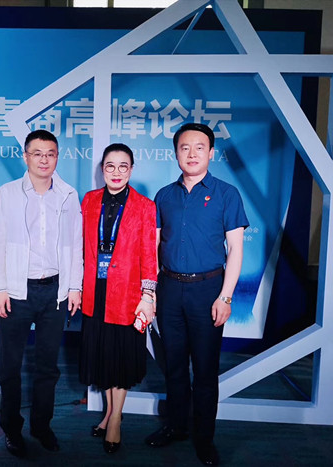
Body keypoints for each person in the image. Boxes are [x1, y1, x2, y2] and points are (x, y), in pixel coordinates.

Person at [145, 123, 248, 466]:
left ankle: (204, 439)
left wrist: (226, 297)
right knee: (173, 365)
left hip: (208, 290)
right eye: (184, 147)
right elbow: (154, 248)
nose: (191, 154)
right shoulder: (164, 196)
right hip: (170, 288)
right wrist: (152, 292)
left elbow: (236, 250)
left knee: (204, 371)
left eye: (199, 147)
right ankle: (176, 426)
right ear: (176, 153)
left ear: (211, 153)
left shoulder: (226, 194)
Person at [0, 129, 83, 458]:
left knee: (48, 367)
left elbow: (76, 245)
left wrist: (74, 287)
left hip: (54, 291)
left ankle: (42, 426)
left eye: (50, 154)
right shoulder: (8, 193)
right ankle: (12, 430)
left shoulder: (68, 195)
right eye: (38, 153)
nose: (44, 160)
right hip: (17, 290)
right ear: (25, 157)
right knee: (10, 367)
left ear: (57, 157)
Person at [79, 143, 158, 454]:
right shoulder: (89, 200)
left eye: (123, 166)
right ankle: (110, 412)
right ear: (102, 169)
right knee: (104, 356)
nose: (116, 172)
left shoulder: (144, 206)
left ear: (131, 169)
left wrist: (147, 295)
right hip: (95, 291)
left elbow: (149, 255)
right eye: (110, 166)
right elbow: (81, 246)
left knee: (120, 357)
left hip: (126, 293)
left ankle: (115, 420)